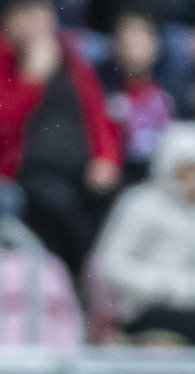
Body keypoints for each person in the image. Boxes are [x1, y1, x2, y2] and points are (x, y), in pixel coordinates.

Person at [90, 121, 195, 345]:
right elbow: (110, 264)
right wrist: (163, 285)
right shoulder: (139, 205)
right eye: (188, 170)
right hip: (150, 307)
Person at [0, 0, 123, 275]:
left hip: (78, 171)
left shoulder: (72, 60)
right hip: (23, 174)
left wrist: (106, 157)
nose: (38, 21)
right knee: (57, 208)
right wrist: (31, 79)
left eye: (43, 11)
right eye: (27, 13)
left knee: (114, 199)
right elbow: (4, 127)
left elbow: (98, 115)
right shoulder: (5, 60)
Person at [99, 10, 172, 183]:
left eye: (141, 34)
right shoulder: (101, 91)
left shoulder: (168, 94)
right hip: (119, 178)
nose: (133, 42)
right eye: (127, 36)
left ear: (156, 45)